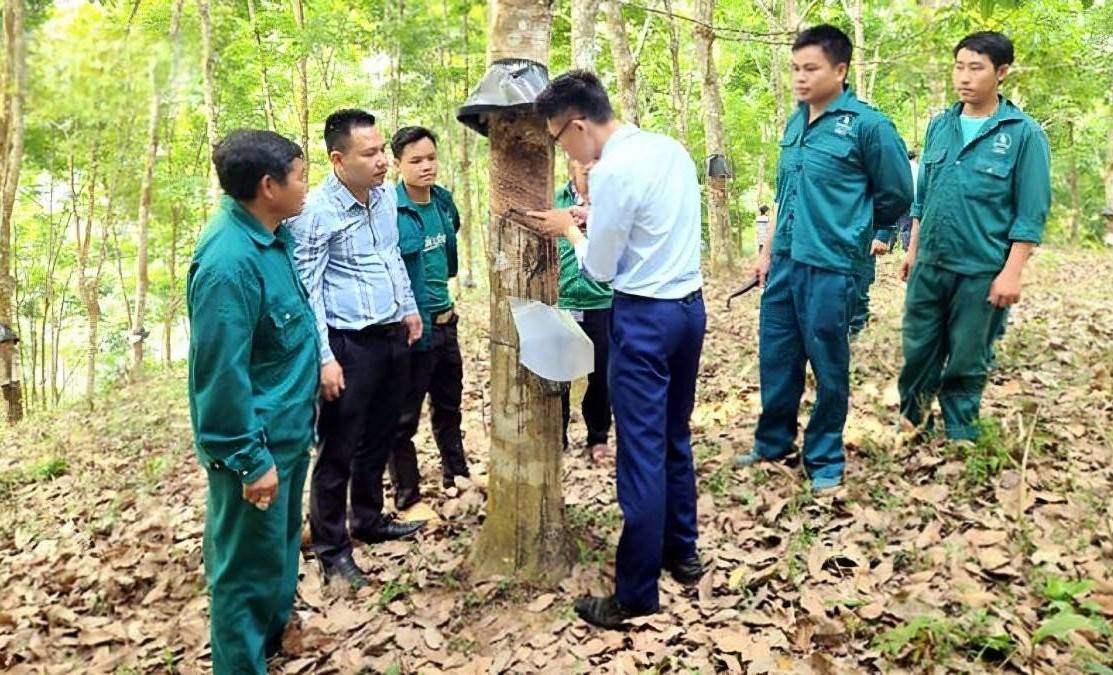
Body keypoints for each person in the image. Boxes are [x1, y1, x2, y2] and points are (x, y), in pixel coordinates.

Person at [527, 70, 705, 630]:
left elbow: (601, 269)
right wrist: (594, 220)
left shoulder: (611, 172)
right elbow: (651, 226)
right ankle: (683, 550)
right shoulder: (667, 149)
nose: (563, 150)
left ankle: (635, 592)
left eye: (559, 139)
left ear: (578, 125)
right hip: (688, 309)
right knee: (675, 434)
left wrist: (569, 229)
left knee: (641, 451)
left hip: (645, 318)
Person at [734, 25, 913, 492]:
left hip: (833, 265)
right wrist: (765, 253)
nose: (800, 77)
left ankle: (825, 457)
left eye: (810, 68)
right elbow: (783, 194)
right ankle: (774, 441)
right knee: (777, 356)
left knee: (828, 363)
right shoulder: (796, 122)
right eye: (795, 68)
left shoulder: (869, 126)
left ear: (840, 69)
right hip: (786, 262)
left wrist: (854, 230)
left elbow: (897, 194)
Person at [187, 129, 316, 673]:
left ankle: (269, 644)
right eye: (301, 176)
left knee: (279, 555)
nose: (307, 187)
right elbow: (219, 373)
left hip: (288, 435)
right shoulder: (228, 262)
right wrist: (247, 457)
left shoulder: (270, 236)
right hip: (257, 448)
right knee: (243, 574)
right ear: (269, 186)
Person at [287, 109, 426, 591]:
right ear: (338, 159)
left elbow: (391, 257)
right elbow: (309, 291)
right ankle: (332, 550)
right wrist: (324, 358)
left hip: (391, 336)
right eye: (370, 153)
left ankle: (368, 519)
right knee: (338, 449)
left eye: (383, 149)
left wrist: (408, 310)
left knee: (380, 437)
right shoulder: (314, 212)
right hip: (348, 344)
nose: (383, 161)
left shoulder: (385, 199)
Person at [899, 31, 1049, 440]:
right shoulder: (940, 126)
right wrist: (912, 251)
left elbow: (1031, 213)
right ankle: (912, 421)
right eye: (959, 66)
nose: (964, 77)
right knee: (917, 349)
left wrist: (1012, 273)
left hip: (982, 268)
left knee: (968, 355)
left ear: (1001, 72)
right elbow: (922, 197)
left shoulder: (1023, 135)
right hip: (930, 262)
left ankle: (960, 429)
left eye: (976, 68)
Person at [387, 126, 470, 515]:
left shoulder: (442, 201)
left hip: (446, 322)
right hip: (412, 331)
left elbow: (451, 236)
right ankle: (408, 495)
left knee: (449, 407)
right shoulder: (389, 209)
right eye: (416, 160)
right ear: (397, 164)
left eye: (431, 158)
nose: (426, 167)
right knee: (403, 417)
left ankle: (458, 475)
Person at [555, 158, 614, 463]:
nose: (590, 168)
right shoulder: (556, 200)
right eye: (584, 163)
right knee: (558, 375)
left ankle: (598, 436)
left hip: (602, 302)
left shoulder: (613, 204)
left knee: (601, 375)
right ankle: (558, 436)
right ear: (571, 163)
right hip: (562, 302)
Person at [848, 226, 895, 340]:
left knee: (859, 289)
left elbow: (889, 209)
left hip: (863, 238)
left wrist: (882, 235)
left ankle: (856, 337)